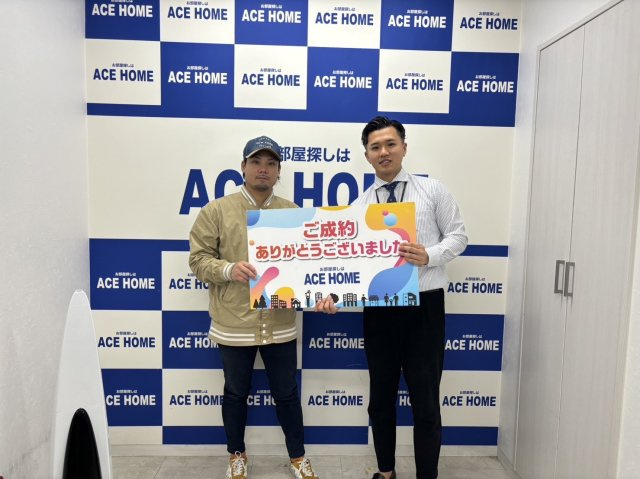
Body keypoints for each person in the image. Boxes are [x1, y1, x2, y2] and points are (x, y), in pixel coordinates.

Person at [189, 136, 319, 479]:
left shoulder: (293, 213)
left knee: (287, 394)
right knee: (235, 393)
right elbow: (198, 260)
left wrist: (322, 293)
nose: (264, 169)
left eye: (271, 163)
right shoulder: (216, 210)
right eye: (256, 162)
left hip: (279, 322)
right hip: (233, 322)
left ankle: (297, 457)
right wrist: (228, 269)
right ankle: (237, 455)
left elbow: (308, 267)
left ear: (278, 171)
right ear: (243, 167)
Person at [354, 116, 468, 479]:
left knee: (425, 401)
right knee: (381, 399)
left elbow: (459, 236)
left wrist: (429, 255)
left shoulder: (432, 190)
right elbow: (352, 264)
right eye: (375, 147)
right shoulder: (359, 205)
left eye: (390, 144)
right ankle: (385, 471)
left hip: (424, 308)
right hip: (380, 309)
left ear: (404, 147)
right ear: (367, 155)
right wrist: (332, 296)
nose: (383, 152)